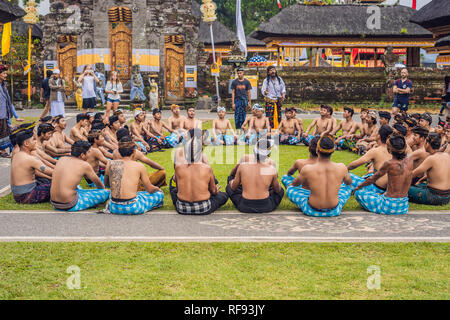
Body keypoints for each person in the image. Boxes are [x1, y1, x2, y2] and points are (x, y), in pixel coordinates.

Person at [286, 135, 352, 217]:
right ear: (333, 151)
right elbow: (349, 182)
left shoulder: (307, 169)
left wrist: (290, 186)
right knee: (347, 187)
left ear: (317, 150)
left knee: (290, 189)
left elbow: (295, 184)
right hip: (335, 210)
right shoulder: (342, 167)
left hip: (311, 210)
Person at [170, 129, 228, 215]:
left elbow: (178, 189)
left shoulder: (178, 168)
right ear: (200, 151)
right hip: (203, 208)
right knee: (223, 196)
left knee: (173, 190)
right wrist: (215, 191)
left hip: (182, 208)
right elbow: (213, 191)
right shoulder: (207, 168)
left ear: (186, 151)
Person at [354, 135, 413, 215]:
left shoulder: (389, 164)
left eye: (388, 146)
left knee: (359, 193)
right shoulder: (410, 160)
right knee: (377, 194)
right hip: (404, 206)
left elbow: (373, 179)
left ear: (390, 150)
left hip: (389, 206)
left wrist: (358, 187)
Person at [104, 136, 163, 215]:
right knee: (159, 195)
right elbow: (149, 189)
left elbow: (107, 184)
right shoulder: (139, 166)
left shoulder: (109, 164)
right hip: (133, 207)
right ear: (134, 151)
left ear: (119, 151)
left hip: (114, 207)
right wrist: (157, 189)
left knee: (139, 194)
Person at [227, 139, 283, 213]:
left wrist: (231, 182)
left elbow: (233, 187)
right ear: (268, 154)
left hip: (245, 206)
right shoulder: (271, 168)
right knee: (281, 190)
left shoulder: (242, 166)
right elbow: (277, 190)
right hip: (266, 206)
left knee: (229, 187)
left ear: (254, 151)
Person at [50, 141, 109, 211]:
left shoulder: (61, 159)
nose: (90, 154)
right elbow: (99, 185)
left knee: (78, 189)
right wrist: (102, 192)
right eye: (89, 152)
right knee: (106, 193)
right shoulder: (84, 165)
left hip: (55, 204)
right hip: (69, 205)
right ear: (82, 155)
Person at [10, 127, 54, 204]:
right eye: (33, 140)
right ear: (26, 143)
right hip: (26, 196)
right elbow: (51, 172)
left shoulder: (16, 155)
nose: (35, 142)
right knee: (59, 185)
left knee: (47, 182)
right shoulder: (30, 159)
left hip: (17, 196)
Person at [347, 125, 394, 193]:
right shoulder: (393, 149)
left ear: (379, 136)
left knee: (343, 174)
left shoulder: (376, 150)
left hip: (375, 188)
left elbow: (355, 164)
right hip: (386, 188)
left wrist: (346, 168)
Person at [409, 133, 450, 205]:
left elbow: (412, 175)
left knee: (404, 189)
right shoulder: (446, 155)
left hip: (435, 196)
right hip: (447, 196)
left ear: (427, 144)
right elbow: (438, 175)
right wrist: (421, 180)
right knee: (419, 185)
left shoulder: (431, 158)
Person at [0, 65, 13, 157]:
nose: (5, 75)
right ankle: (3, 151)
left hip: (4, 112)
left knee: (4, 131)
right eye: (4, 73)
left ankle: (2, 149)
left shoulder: (3, 85)